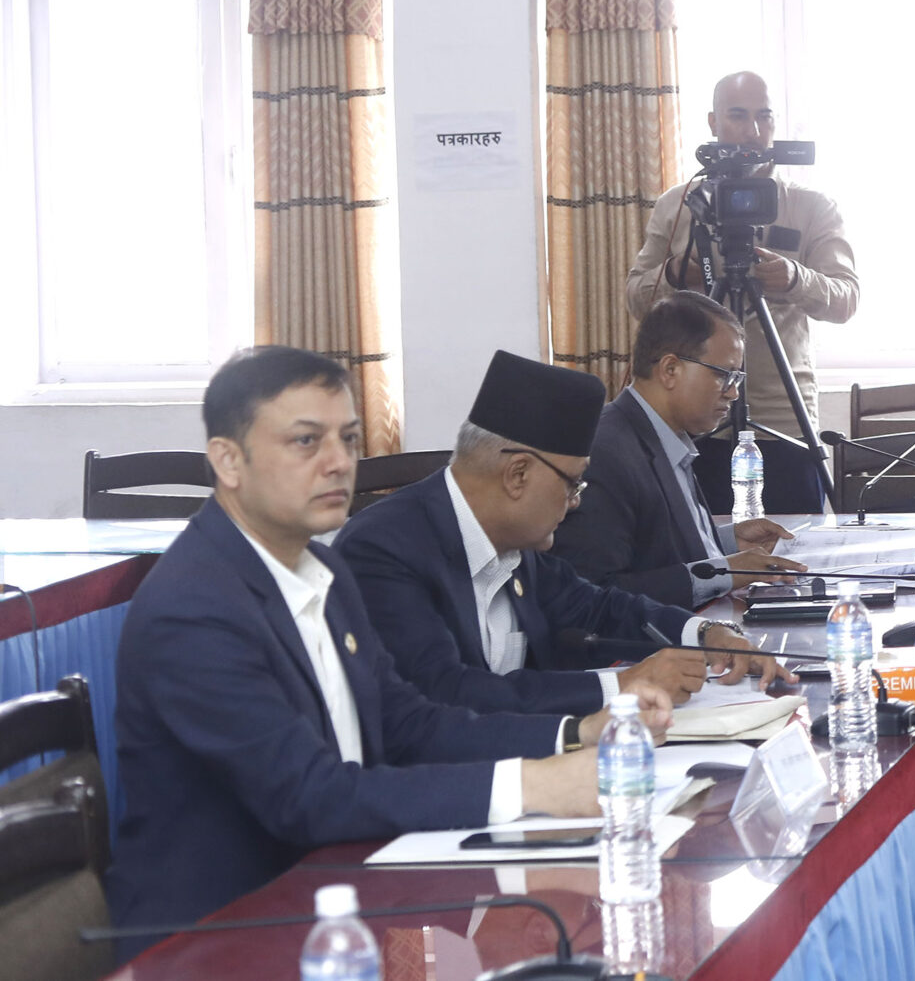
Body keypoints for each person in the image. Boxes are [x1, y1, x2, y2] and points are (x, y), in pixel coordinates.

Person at [105, 347, 666, 946]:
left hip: (346, 894)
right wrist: (534, 786)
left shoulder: (323, 569)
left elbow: (407, 724)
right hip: (221, 936)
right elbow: (308, 796)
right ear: (228, 460)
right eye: (306, 441)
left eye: (348, 439)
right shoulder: (195, 606)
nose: (338, 463)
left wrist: (576, 734)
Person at [339, 350, 792, 718]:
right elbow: (447, 694)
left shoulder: (516, 543)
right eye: (573, 484)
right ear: (518, 475)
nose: (575, 502)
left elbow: (600, 608)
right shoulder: (382, 551)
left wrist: (707, 634)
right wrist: (623, 685)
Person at [627, 70, 858, 508]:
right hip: (694, 420)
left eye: (764, 117)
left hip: (782, 418)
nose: (753, 130)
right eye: (738, 116)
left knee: (798, 540)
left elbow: (846, 298)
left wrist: (795, 279)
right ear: (713, 123)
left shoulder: (811, 206)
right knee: (701, 543)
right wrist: (676, 275)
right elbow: (636, 297)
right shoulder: (679, 205)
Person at [552, 292, 806, 607]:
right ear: (670, 369)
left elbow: (653, 547)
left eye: (737, 378)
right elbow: (593, 594)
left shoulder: (664, 435)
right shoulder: (606, 453)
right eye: (723, 375)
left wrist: (727, 541)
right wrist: (725, 572)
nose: (733, 393)